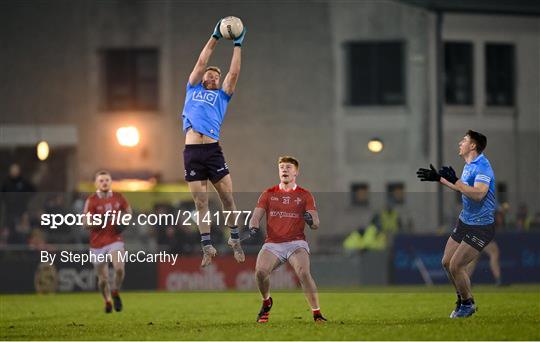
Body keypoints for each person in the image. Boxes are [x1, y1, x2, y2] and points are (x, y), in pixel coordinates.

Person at [180, 19, 246, 267]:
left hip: (212, 150)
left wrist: (238, 44)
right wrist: (215, 36)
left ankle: (235, 238)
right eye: (210, 73)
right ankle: (206, 246)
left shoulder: (222, 96)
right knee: (201, 202)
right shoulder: (192, 89)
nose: (213, 76)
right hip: (192, 152)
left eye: (216, 75)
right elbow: (202, 60)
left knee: (227, 198)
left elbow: (234, 73)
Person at [417, 130, 496, 318]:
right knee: (446, 262)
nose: (460, 142)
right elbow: (462, 187)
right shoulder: (468, 165)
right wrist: (440, 179)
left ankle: (467, 304)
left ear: (473, 146)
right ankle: (463, 299)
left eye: (465, 140)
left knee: (456, 266)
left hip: (481, 226)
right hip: (465, 221)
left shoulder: (483, 166)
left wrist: (456, 181)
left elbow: (478, 194)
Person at [248, 156, 327, 323]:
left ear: (296, 172)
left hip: (296, 243)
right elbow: (255, 216)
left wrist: (310, 219)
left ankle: (317, 313)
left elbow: (316, 223)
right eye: (282, 167)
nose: (284, 170)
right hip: (273, 243)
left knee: (304, 273)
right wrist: (253, 226)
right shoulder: (268, 193)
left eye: (289, 167)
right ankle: (266, 302)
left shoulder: (305, 195)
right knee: (260, 272)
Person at [84, 170, 132, 313]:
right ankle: (107, 300)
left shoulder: (118, 197)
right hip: (97, 244)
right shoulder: (92, 200)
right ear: (96, 184)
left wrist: (125, 221)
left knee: (119, 268)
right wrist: (98, 223)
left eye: (106, 180)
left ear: (110, 182)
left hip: (114, 239)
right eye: (101, 180)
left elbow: (129, 211)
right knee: (102, 280)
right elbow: (85, 223)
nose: (104, 183)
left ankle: (115, 291)